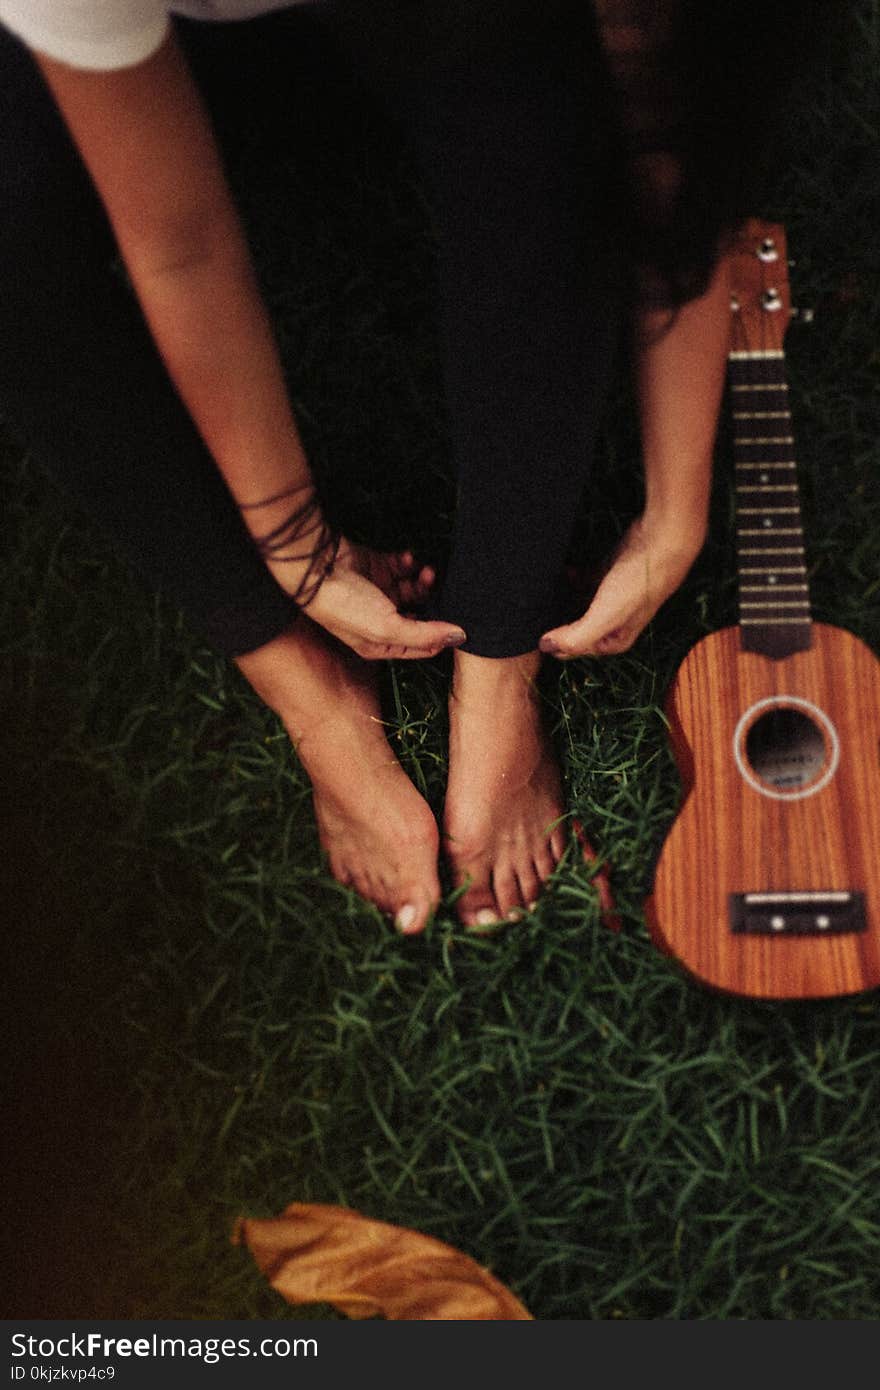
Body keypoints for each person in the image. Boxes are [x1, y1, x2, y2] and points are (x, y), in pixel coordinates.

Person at [0, 0, 822, 935]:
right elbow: (180, 244)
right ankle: (306, 687)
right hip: (113, 56)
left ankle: (498, 665)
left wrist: (679, 511)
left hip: (449, 34)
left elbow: (666, 142)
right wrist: (291, 544)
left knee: (550, 123)